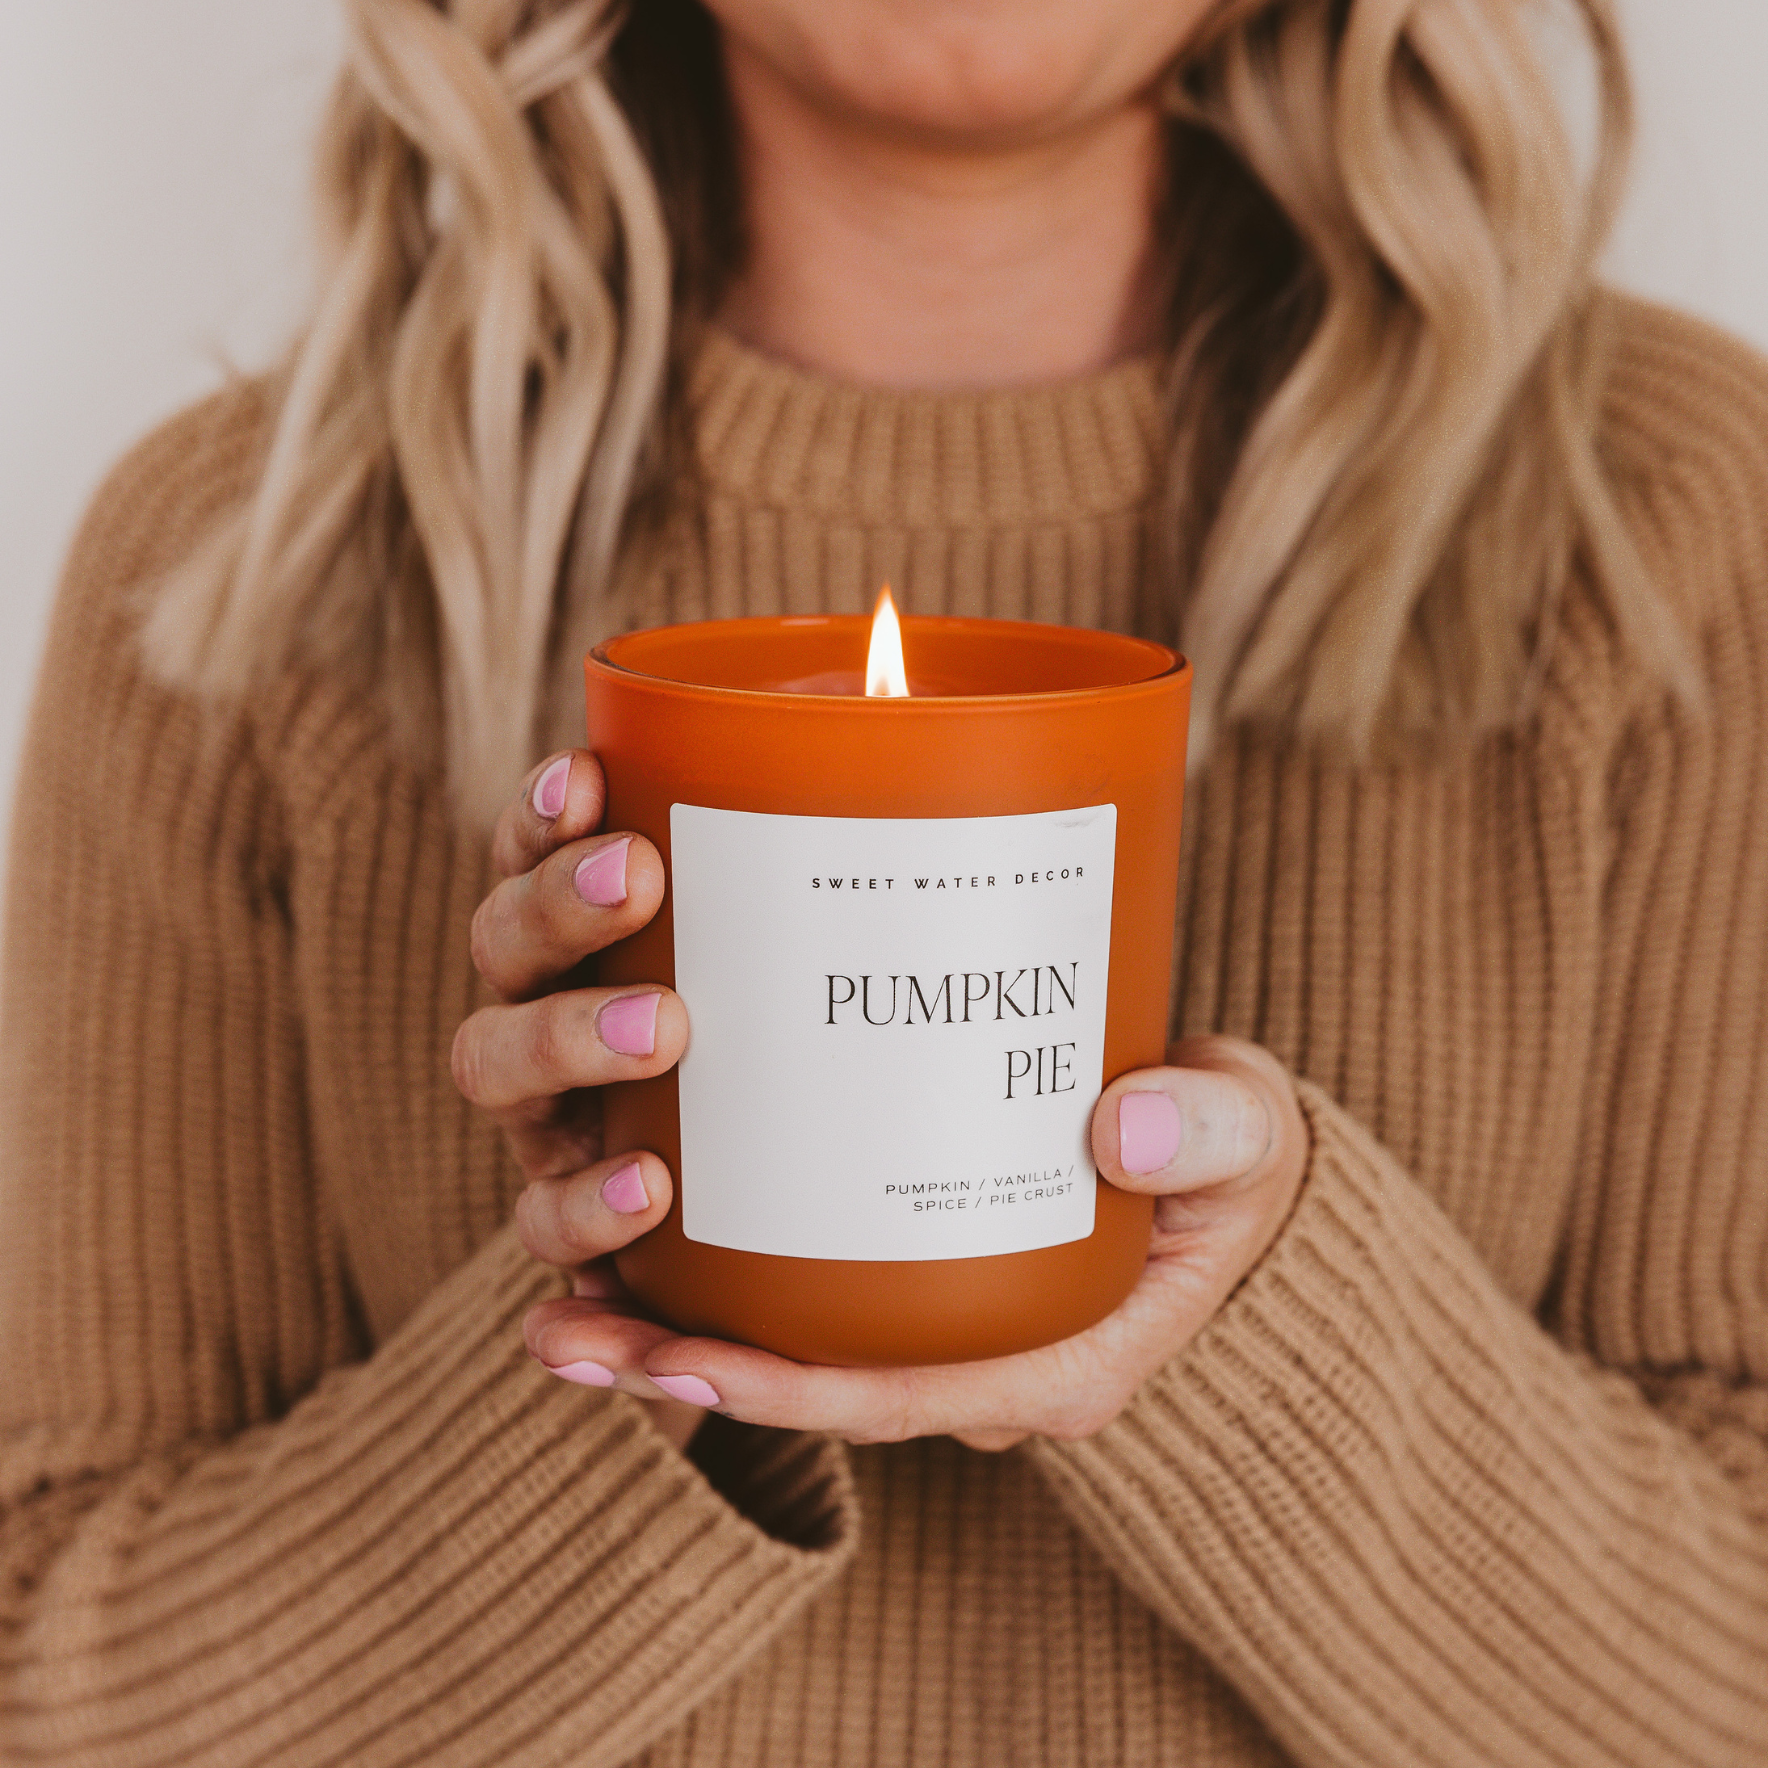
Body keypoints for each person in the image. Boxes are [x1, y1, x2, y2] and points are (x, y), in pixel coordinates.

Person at [3, 0, 1766, 1761]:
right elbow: (54, 1679)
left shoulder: (1670, 518)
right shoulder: (240, 570)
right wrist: (628, 1322)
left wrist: (1259, 1318)